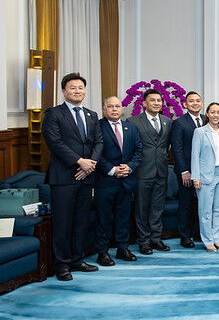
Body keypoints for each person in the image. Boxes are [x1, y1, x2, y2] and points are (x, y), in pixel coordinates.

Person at [42, 73, 103, 281]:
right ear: (64, 91)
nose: (77, 91)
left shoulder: (91, 115)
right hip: (64, 177)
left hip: (86, 176)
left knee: (81, 222)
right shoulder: (54, 114)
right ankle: (62, 265)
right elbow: (55, 143)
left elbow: (99, 143)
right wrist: (80, 161)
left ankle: (78, 259)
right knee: (63, 223)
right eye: (73, 88)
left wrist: (90, 164)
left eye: (80, 88)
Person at [94, 96, 142, 266]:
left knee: (123, 216)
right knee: (104, 218)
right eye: (110, 106)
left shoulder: (131, 127)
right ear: (103, 109)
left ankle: (123, 248)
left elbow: (138, 151)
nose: (114, 109)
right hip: (105, 181)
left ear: (122, 109)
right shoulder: (97, 127)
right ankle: (103, 252)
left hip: (126, 180)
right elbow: (95, 153)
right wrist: (113, 170)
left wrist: (129, 167)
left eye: (117, 106)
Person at [129, 89, 173, 255]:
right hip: (142, 171)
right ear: (144, 103)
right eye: (152, 100)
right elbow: (131, 147)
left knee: (157, 207)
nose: (156, 103)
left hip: (161, 171)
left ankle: (156, 238)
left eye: (159, 100)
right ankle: (144, 241)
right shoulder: (133, 121)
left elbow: (166, 146)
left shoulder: (168, 121)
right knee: (142, 208)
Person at [191, 103, 219, 252]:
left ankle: (217, 239)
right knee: (205, 210)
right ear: (208, 114)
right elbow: (195, 156)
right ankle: (208, 240)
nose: (216, 115)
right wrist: (195, 177)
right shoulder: (200, 132)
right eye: (213, 112)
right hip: (205, 176)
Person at [169, 91, 205, 248]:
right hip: (187, 171)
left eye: (198, 100)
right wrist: (184, 171)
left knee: (201, 203)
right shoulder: (179, 123)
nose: (195, 103)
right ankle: (185, 236)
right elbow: (176, 149)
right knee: (186, 203)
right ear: (185, 104)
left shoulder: (206, 119)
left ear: (202, 103)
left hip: (204, 171)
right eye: (191, 101)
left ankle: (198, 233)